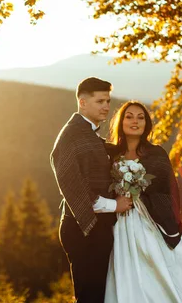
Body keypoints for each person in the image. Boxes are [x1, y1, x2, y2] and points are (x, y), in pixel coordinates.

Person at [104, 101, 182, 303]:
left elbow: (169, 190)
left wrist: (142, 192)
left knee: (156, 268)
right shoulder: (110, 154)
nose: (135, 121)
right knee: (128, 270)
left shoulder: (156, 154)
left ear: (147, 124)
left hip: (152, 222)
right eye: (129, 116)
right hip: (120, 225)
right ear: (120, 121)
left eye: (140, 117)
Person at [50, 77, 133, 303]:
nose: (106, 106)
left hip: (96, 228)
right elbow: (72, 184)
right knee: (90, 297)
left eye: (107, 100)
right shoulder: (71, 135)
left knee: (99, 294)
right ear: (82, 102)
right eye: (99, 101)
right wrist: (115, 205)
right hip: (82, 229)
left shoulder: (89, 134)